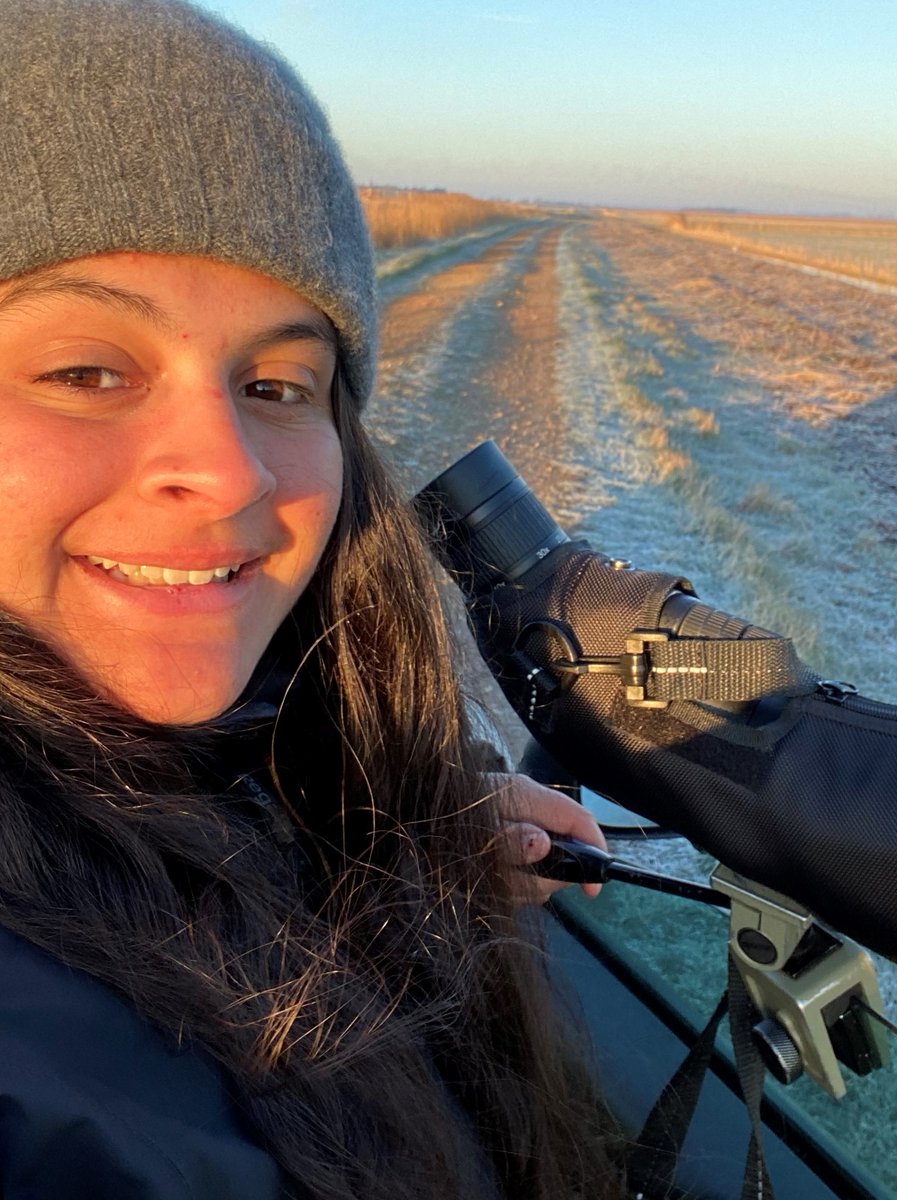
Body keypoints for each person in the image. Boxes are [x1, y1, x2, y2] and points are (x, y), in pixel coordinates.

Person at [0, 1, 623, 1197]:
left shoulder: (276, 744)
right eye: (88, 372)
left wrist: (381, 849)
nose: (229, 472)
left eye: (280, 383)